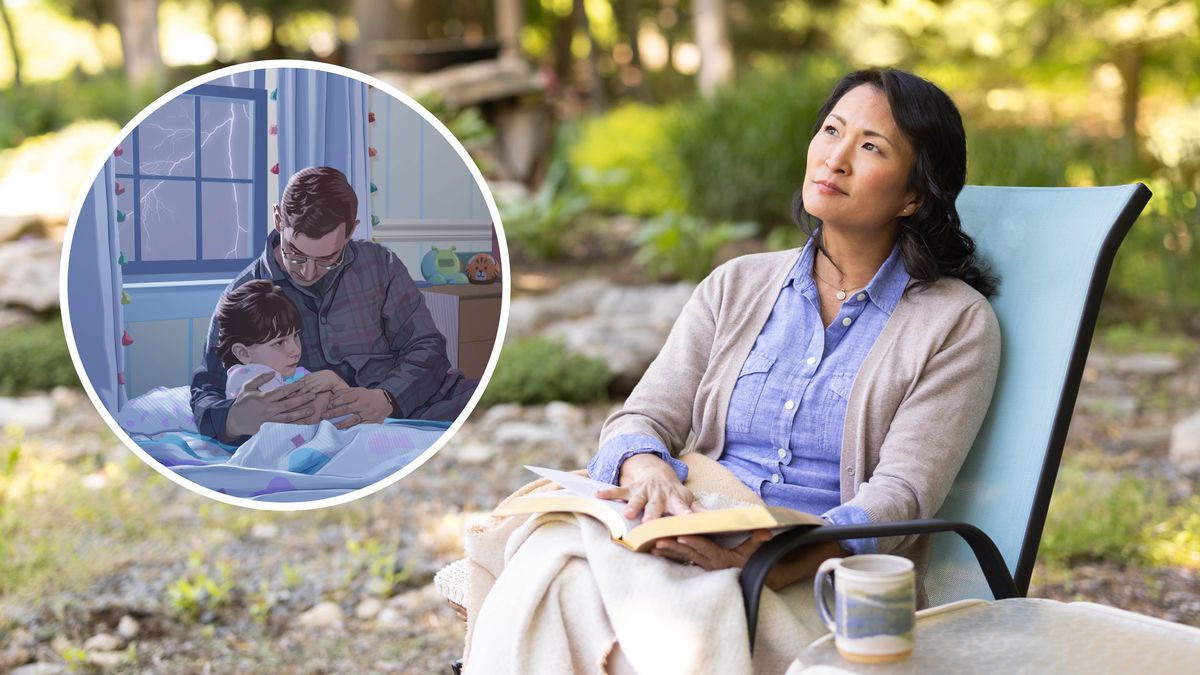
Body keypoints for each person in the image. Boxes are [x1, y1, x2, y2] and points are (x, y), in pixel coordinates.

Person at [459, 68, 1002, 674]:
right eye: (831, 131)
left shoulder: (954, 321)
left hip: (814, 572)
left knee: (576, 592)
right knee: (557, 560)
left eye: (871, 147)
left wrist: (774, 558)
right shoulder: (737, 284)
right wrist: (647, 473)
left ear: (914, 194)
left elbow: (902, 495)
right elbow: (643, 416)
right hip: (693, 521)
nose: (836, 159)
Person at [191, 166, 476, 444]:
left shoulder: (381, 264)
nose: (308, 272)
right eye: (296, 254)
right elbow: (207, 389)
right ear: (279, 220)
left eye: (328, 258)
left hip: (429, 404)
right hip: (337, 434)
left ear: (351, 230)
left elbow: (427, 346)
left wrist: (388, 398)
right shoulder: (244, 295)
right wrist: (235, 419)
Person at [214, 280, 348, 422]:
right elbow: (299, 416)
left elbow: (347, 410)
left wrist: (336, 383)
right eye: (279, 343)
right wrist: (328, 395)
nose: (295, 350)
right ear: (243, 353)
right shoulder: (247, 377)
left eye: (295, 335)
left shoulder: (295, 374)